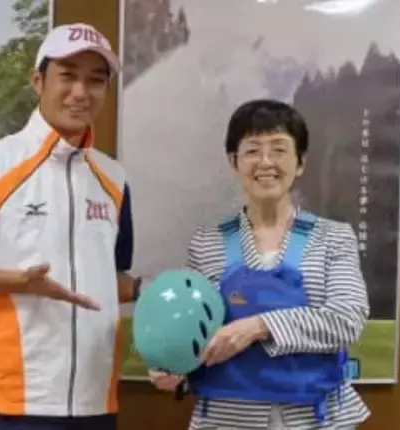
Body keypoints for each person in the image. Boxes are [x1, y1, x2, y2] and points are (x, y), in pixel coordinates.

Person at [0, 22, 141, 430]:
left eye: (95, 80)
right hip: (3, 402)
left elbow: (110, 278)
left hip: (93, 401)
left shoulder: (114, 179)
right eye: (67, 75)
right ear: (38, 81)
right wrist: (18, 281)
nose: (81, 92)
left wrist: (150, 289)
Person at [149, 99, 371, 430]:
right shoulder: (207, 243)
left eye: (279, 149)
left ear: (300, 162)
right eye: (252, 150)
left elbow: (347, 320)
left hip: (318, 420)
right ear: (234, 161)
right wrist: (174, 366)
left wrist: (256, 327)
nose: (265, 162)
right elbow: (193, 330)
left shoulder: (334, 238)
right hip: (225, 419)